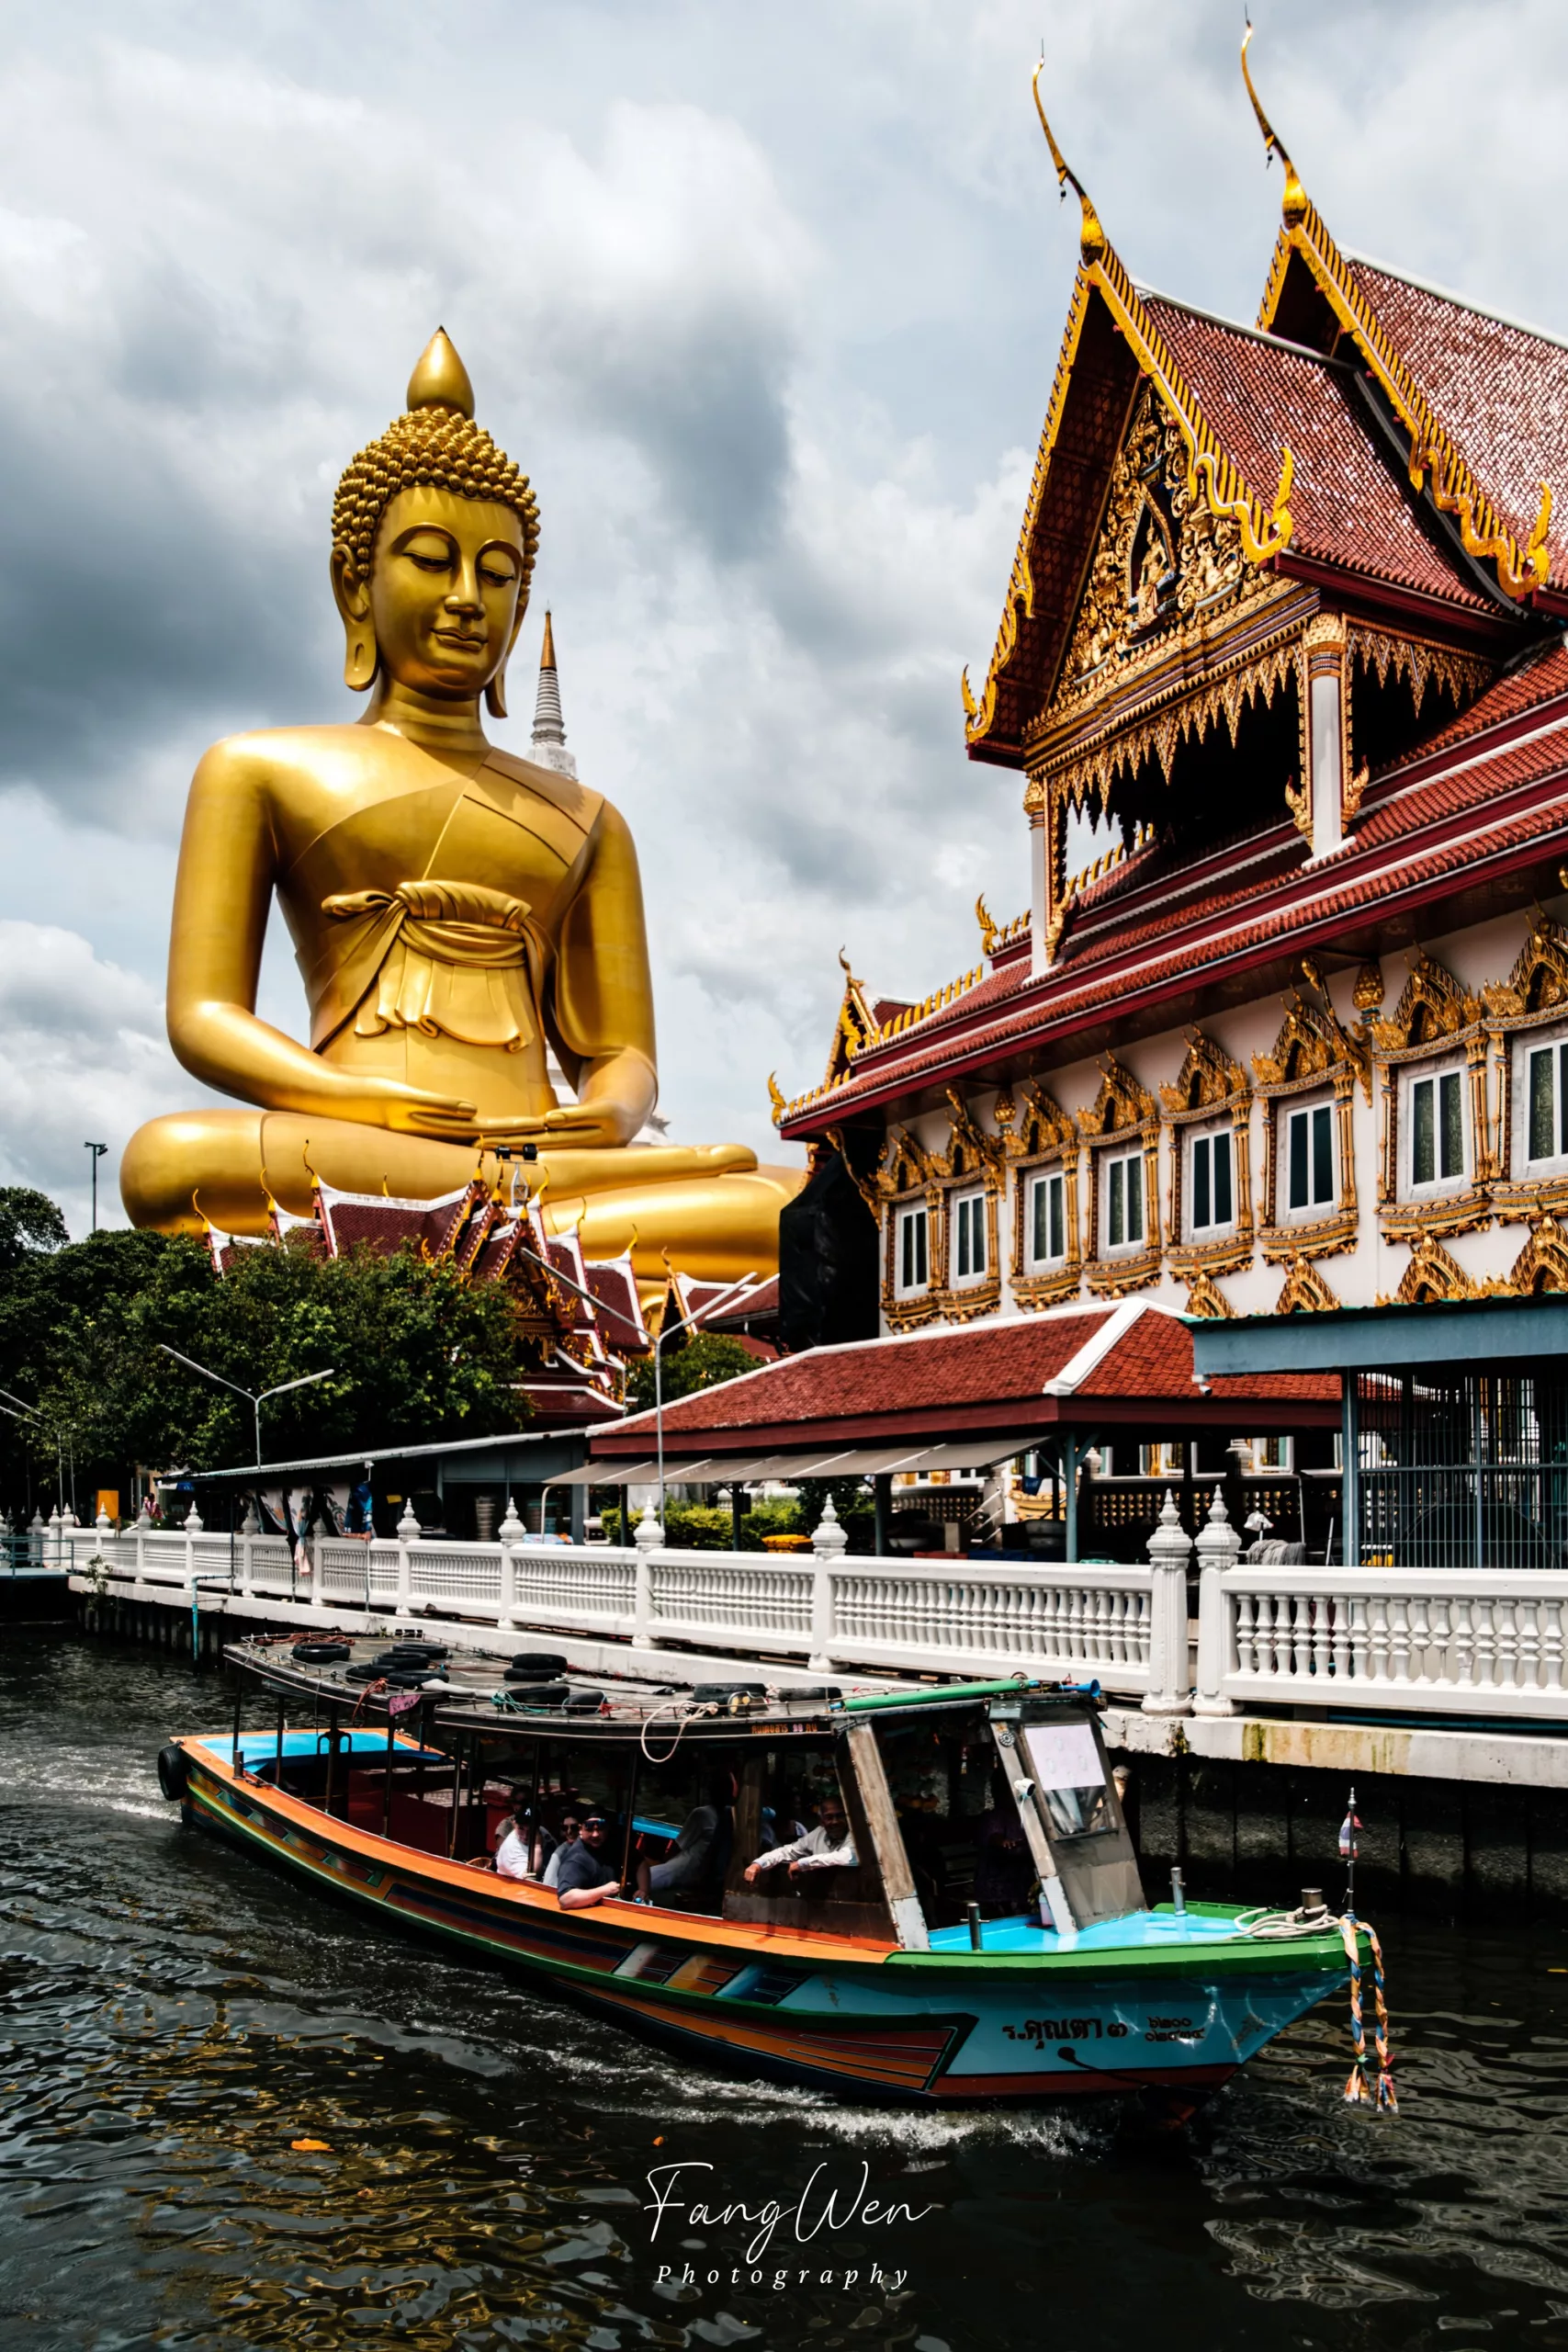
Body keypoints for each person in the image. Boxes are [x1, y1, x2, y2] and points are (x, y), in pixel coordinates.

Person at [635, 1777, 729, 1905]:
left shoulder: (702, 1814)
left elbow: (678, 1846)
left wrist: (664, 1863)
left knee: (639, 1880)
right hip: (705, 1874)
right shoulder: (732, 1816)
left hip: (685, 1870)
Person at [743, 1792, 855, 1887]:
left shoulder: (855, 1835)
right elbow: (787, 1851)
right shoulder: (819, 1833)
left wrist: (803, 1863)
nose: (835, 1822)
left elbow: (846, 1857)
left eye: (840, 1816)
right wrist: (758, 1864)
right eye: (829, 1817)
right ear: (821, 1821)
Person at [555, 1812, 622, 1909]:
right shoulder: (576, 1859)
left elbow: (639, 1863)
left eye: (600, 1829)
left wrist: (642, 1890)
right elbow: (565, 1899)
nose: (595, 1834)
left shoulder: (610, 1845)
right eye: (589, 1829)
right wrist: (605, 1890)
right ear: (580, 1829)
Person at [541, 1813, 581, 1888]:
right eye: (565, 1828)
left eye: (574, 1827)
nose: (569, 1831)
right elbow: (548, 1884)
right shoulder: (559, 1854)